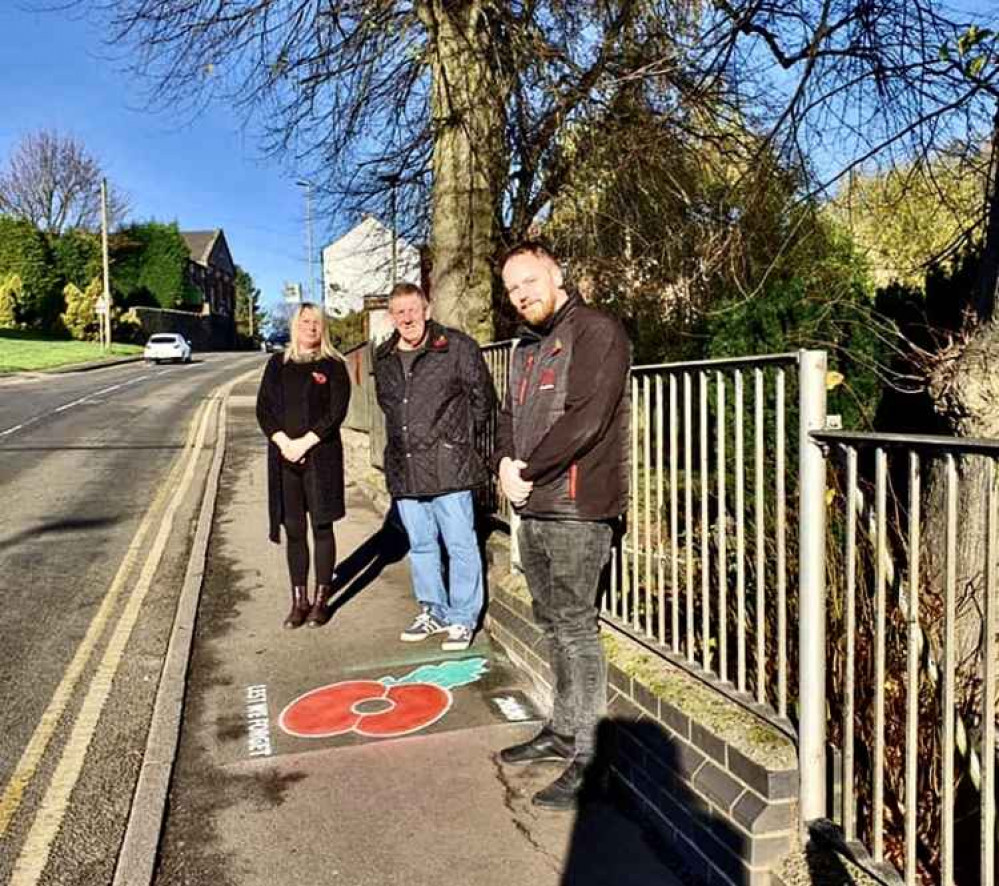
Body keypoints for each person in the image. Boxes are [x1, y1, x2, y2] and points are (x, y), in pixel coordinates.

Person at [493, 242, 630, 810]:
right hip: (533, 503)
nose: (522, 294)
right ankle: (564, 729)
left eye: (529, 281)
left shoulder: (597, 331)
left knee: (576, 630)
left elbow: (588, 419)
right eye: (512, 289)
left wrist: (527, 468)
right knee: (551, 623)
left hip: (577, 506)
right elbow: (506, 415)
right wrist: (504, 464)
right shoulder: (527, 346)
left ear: (556, 274)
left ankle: (591, 757)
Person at [373, 282, 497, 652]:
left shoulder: (457, 347)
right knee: (423, 545)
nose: (407, 318)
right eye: (399, 312)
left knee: (460, 544)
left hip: (449, 467)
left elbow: (483, 399)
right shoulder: (383, 357)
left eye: (413, 309)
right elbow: (390, 408)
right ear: (392, 317)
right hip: (406, 466)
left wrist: (456, 440)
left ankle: (462, 618)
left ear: (426, 309)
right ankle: (434, 610)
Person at [256, 302, 351, 629]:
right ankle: (300, 601)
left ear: (323, 328)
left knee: (322, 527)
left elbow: (336, 411)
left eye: (317, 322)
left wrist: (305, 442)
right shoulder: (277, 364)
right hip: (284, 458)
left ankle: (322, 600)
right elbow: (264, 409)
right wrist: (283, 442)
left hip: (320, 457)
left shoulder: (334, 364)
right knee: (294, 529)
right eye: (305, 321)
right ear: (295, 326)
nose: (311, 327)